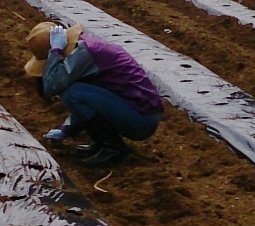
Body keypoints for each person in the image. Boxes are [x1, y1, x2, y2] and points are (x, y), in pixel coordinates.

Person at [24, 21, 163, 168]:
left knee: (72, 93)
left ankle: (112, 147)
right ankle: (103, 143)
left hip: (141, 120)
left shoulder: (83, 53)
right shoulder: (82, 48)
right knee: (76, 92)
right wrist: (65, 130)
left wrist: (55, 51)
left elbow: (52, 86)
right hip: (136, 111)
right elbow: (93, 100)